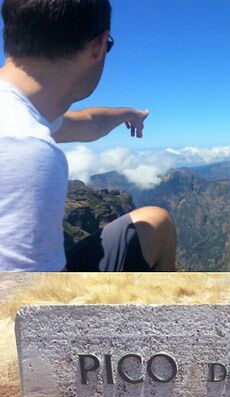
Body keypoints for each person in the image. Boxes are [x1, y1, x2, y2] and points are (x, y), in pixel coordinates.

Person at [0, 0, 176, 272]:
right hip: (26, 301)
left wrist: (128, 114)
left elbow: (87, 123)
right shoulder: (25, 147)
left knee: (155, 222)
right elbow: (22, 306)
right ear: (98, 45)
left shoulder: (16, 113)